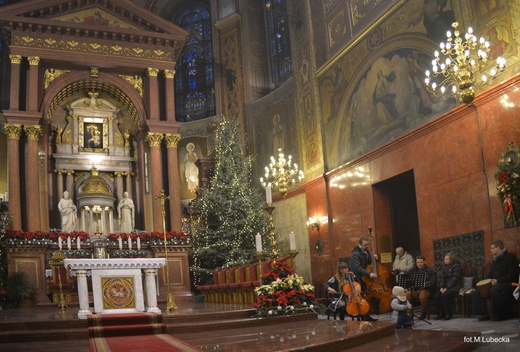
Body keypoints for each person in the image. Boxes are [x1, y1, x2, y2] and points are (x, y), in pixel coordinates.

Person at [472, 240, 519, 321]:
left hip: (508, 283)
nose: (490, 250)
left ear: (498, 248)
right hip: (496, 282)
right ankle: (484, 313)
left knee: (495, 290)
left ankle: (499, 314)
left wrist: (498, 281)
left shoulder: (510, 258)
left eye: (492, 248)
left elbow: (512, 275)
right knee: (478, 291)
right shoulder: (495, 260)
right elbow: (491, 274)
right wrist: (484, 282)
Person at [350, 236, 378, 321]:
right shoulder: (355, 254)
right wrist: (369, 274)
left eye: (367, 245)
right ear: (360, 244)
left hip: (364, 278)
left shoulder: (366, 252)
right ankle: (361, 316)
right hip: (357, 278)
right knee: (359, 298)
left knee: (365, 297)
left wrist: (374, 259)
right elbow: (357, 268)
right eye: (365, 245)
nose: (367, 246)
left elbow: (369, 264)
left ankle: (366, 316)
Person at [405, 255, 436, 320]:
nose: (419, 264)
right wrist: (407, 286)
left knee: (422, 296)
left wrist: (424, 284)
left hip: (426, 289)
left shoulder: (429, 270)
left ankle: (424, 312)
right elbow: (407, 277)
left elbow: (433, 281)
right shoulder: (413, 269)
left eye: (421, 262)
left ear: (424, 262)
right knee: (406, 295)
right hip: (416, 289)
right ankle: (408, 313)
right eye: (418, 262)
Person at [433, 252, 462, 320]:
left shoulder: (457, 266)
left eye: (447, 259)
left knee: (444, 296)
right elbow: (442, 278)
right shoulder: (444, 267)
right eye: (444, 259)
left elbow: (454, 279)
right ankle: (440, 313)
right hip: (446, 287)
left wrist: (447, 288)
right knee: (436, 296)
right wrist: (441, 287)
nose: (445, 260)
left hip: (455, 287)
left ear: (451, 260)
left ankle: (448, 314)